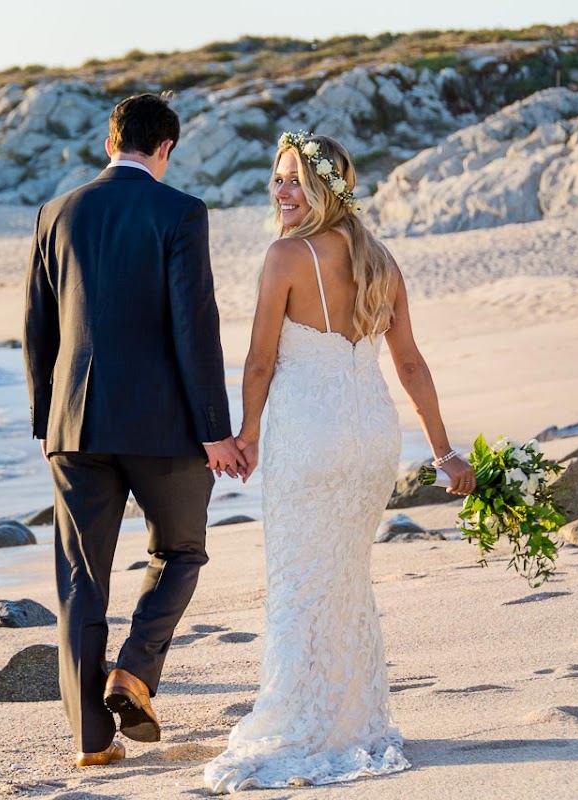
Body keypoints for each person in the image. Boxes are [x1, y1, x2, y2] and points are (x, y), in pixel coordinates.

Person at [203, 131, 476, 792]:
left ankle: (302, 720)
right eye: (278, 178)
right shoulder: (381, 260)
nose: (282, 191)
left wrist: (247, 434)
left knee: (301, 580)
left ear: (326, 188)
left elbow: (260, 361)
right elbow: (410, 364)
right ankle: (353, 718)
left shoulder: (285, 257)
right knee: (345, 577)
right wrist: (442, 450)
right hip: (371, 435)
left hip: (309, 434)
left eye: (296, 179)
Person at [23, 93, 246, 769]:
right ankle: (134, 670)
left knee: (80, 580)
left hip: (74, 424)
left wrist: (46, 420)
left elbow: (38, 329)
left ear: (109, 142)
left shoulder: (55, 212)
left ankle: (92, 740)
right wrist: (215, 429)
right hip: (163, 425)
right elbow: (194, 325)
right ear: (166, 148)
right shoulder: (180, 211)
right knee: (181, 551)